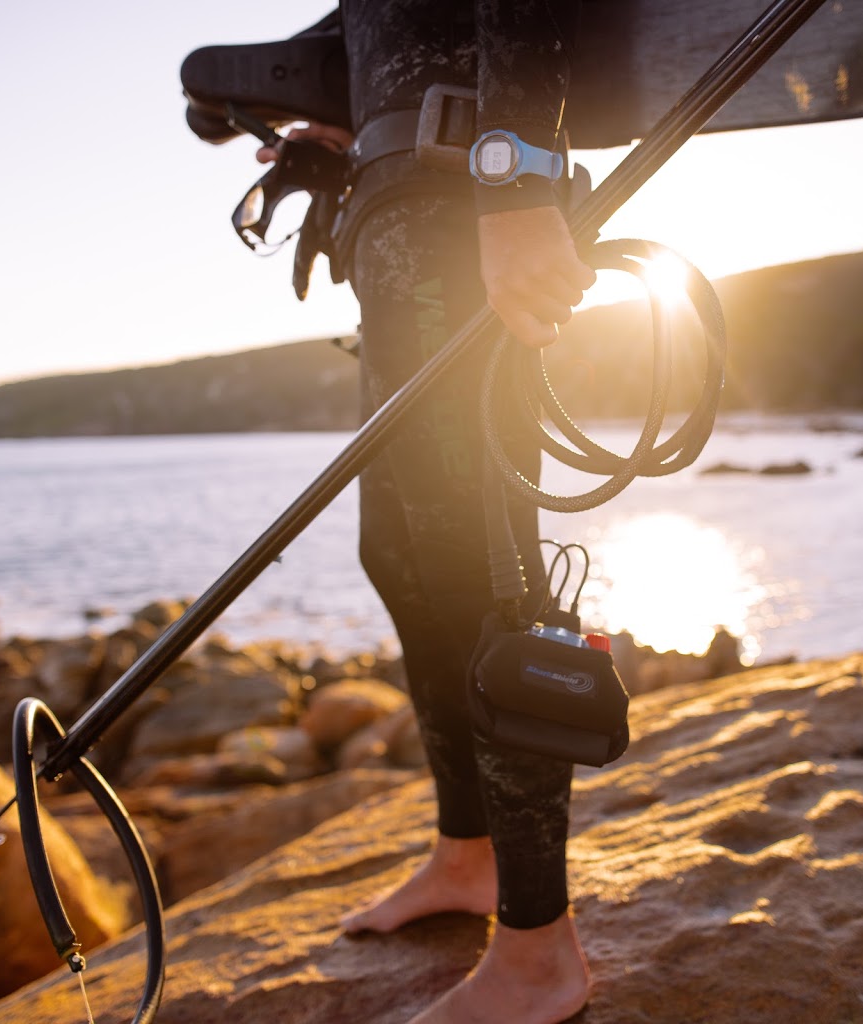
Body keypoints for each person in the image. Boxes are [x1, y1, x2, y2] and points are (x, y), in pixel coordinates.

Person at [258, 3, 596, 1021]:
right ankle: (469, 855)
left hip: (462, 205)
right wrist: (315, 103)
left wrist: (519, 175)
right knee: (398, 554)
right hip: (392, 210)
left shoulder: (497, 185)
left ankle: (540, 950)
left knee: (480, 569)